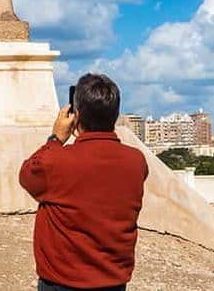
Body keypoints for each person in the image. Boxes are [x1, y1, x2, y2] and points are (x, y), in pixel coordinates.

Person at [19, 73, 148, 291]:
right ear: (114, 115)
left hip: (62, 282)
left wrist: (56, 138)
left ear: (76, 115)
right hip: (114, 282)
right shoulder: (136, 161)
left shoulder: (56, 161)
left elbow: (27, 175)